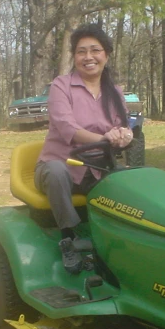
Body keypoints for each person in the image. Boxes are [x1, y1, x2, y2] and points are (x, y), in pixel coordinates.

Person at [34, 23, 134, 274]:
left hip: (98, 167)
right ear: (74, 57)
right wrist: (104, 137)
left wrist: (125, 135)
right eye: (81, 51)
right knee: (57, 172)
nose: (88, 57)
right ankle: (68, 238)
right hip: (59, 166)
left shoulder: (115, 92)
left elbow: (123, 126)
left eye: (95, 50)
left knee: (131, 183)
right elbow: (67, 129)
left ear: (106, 55)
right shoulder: (61, 86)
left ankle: (123, 242)